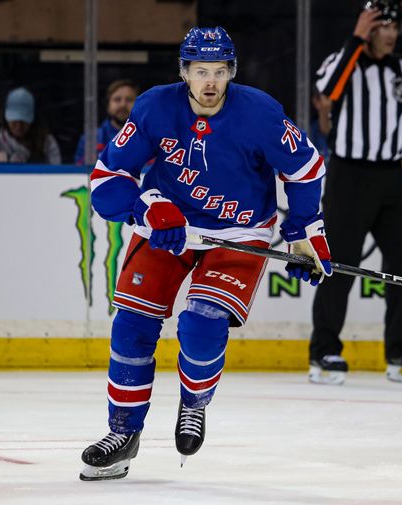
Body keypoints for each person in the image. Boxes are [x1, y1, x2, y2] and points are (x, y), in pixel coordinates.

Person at [79, 26, 331, 481]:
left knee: (201, 321)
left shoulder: (259, 112)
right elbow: (105, 179)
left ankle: (193, 404)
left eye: (218, 71)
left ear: (231, 72)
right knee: (133, 323)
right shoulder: (156, 106)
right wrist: (148, 207)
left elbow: (306, 167)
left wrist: (304, 230)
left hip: (240, 231)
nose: (210, 82)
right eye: (200, 72)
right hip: (170, 230)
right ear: (184, 73)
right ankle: (123, 432)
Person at [308, 0, 402, 385]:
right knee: (339, 266)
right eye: (382, 26)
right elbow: (328, 88)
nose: (391, 34)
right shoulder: (343, 61)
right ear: (367, 27)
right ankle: (324, 353)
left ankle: (400, 352)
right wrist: (356, 37)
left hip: (391, 178)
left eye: (395, 27)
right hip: (349, 176)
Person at [0, 87, 61, 164]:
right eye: (14, 120)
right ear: (5, 117)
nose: (19, 126)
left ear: (33, 118)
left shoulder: (48, 143)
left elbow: (58, 174)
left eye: (24, 121)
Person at [74, 79, 140, 167]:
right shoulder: (90, 139)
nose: (123, 104)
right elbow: (78, 173)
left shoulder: (150, 138)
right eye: (117, 99)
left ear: (139, 105)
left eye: (129, 99)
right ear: (108, 104)